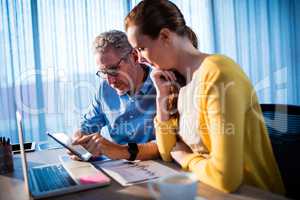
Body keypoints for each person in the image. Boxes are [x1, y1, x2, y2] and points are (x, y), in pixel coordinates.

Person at [124, 0, 285, 194]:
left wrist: (184, 157)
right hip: (208, 190)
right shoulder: (180, 81)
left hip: (251, 193)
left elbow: (225, 178)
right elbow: (167, 152)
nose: (140, 59)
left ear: (165, 35)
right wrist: (161, 97)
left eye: (141, 48)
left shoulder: (217, 73)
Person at [69, 30, 159, 161]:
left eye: (114, 70)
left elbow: (168, 145)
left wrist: (121, 151)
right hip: (119, 168)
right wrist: (79, 142)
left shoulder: (163, 86)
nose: (110, 81)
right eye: (104, 73)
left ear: (134, 56)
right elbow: (88, 127)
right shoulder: (104, 89)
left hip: (159, 169)